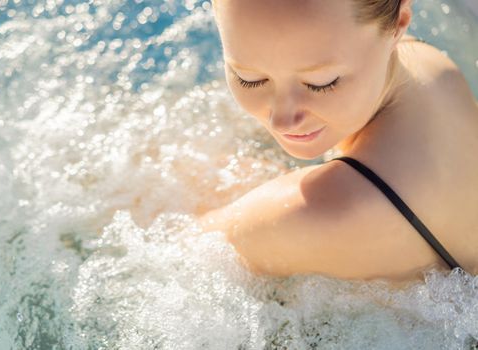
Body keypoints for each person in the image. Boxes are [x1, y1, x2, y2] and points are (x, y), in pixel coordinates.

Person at [198, 0, 478, 281]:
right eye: (249, 79)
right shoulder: (428, 65)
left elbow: (179, 248)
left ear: (399, 25)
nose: (282, 121)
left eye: (322, 83)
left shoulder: (331, 210)